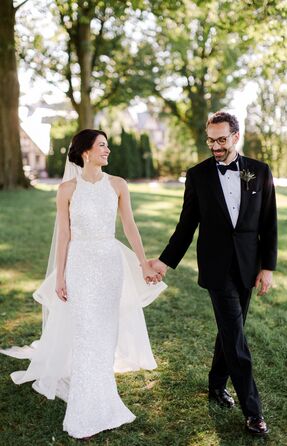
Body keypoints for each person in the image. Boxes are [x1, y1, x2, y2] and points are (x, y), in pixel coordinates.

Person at [0, 129, 166, 440]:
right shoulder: (65, 190)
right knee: (86, 331)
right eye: (101, 146)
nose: (107, 151)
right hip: (79, 264)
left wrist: (143, 262)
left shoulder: (118, 185)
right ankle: (85, 406)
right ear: (85, 152)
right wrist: (60, 276)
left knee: (105, 332)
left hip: (109, 264)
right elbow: (64, 235)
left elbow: (129, 225)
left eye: (107, 146)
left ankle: (104, 395)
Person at [150, 111, 277, 435]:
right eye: (211, 140)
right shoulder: (198, 175)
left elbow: (268, 224)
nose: (215, 146)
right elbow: (186, 225)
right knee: (236, 338)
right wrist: (165, 261)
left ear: (236, 136)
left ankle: (216, 385)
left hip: (248, 267)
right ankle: (254, 412)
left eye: (221, 140)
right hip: (217, 268)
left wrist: (267, 267)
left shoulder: (259, 172)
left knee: (229, 331)